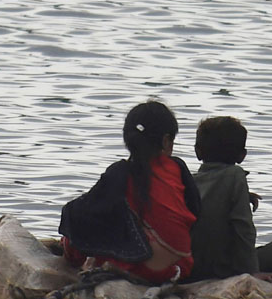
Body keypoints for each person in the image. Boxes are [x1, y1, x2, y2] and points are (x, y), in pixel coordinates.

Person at [58, 101, 199, 284]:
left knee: (79, 213)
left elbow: (87, 213)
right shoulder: (178, 168)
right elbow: (194, 209)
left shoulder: (121, 173)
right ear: (165, 141)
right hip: (182, 266)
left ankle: (73, 254)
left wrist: (71, 244)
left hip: (147, 268)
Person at [187, 116, 272, 281]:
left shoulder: (189, 180)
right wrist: (252, 272)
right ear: (242, 155)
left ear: (197, 151)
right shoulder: (235, 176)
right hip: (224, 270)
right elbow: (243, 228)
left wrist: (244, 196)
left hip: (192, 267)